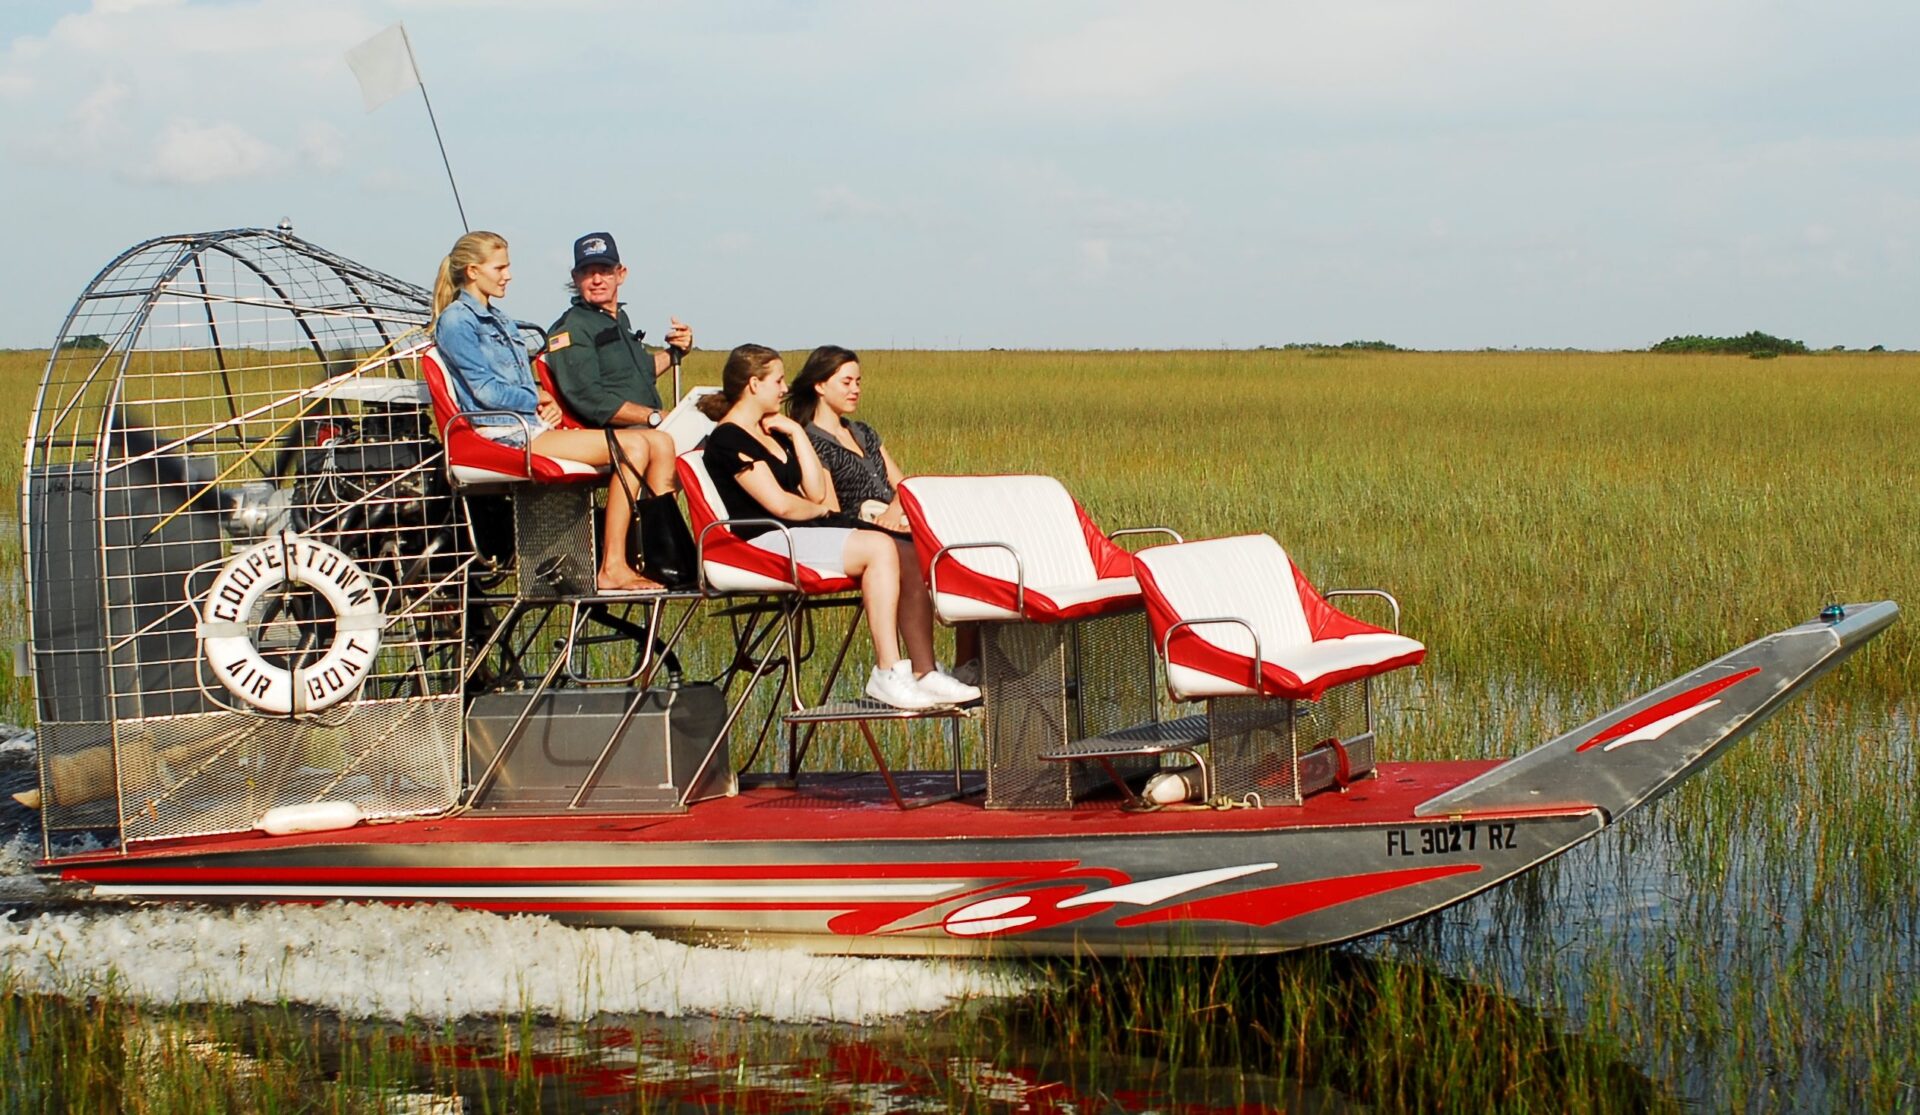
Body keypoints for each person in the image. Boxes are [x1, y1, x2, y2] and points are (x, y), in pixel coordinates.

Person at [696, 344, 980, 710]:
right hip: (765, 538)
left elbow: (813, 488)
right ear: (754, 384)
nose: (784, 389)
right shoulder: (728, 438)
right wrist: (821, 512)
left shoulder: (777, 432)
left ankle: (924, 671)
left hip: (801, 530)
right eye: (778, 380)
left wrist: (796, 436)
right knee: (880, 547)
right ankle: (888, 671)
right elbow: (780, 504)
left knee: (907, 550)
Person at [430, 230, 666, 593]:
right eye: (501, 267)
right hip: (501, 432)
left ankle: (656, 554)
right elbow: (485, 392)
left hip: (527, 426)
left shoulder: (502, 320)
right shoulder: (458, 322)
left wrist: (543, 401)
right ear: (474, 271)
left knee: (651, 442)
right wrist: (536, 399)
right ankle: (613, 565)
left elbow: (518, 383)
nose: (508, 275)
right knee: (632, 447)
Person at [788, 345, 980, 682]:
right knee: (908, 551)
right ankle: (924, 670)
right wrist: (884, 522)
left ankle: (969, 664)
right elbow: (830, 509)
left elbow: (902, 483)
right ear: (820, 385)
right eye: (846, 382)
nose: (855, 389)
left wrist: (896, 508)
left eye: (858, 382)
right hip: (856, 529)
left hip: (894, 516)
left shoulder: (863, 432)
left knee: (966, 547)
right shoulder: (810, 440)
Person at [544, 232, 689, 488]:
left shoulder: (618, 320)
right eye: (588, 272)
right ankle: (658, 525)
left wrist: (676, 352)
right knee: (668, 443)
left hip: (643, 426)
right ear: (575, 278)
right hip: (612, 434)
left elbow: (642, 372)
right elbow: (590, 399)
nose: (597, 280)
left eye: (605, 271)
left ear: (621, 274)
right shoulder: (571, 329)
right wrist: (654, 417)